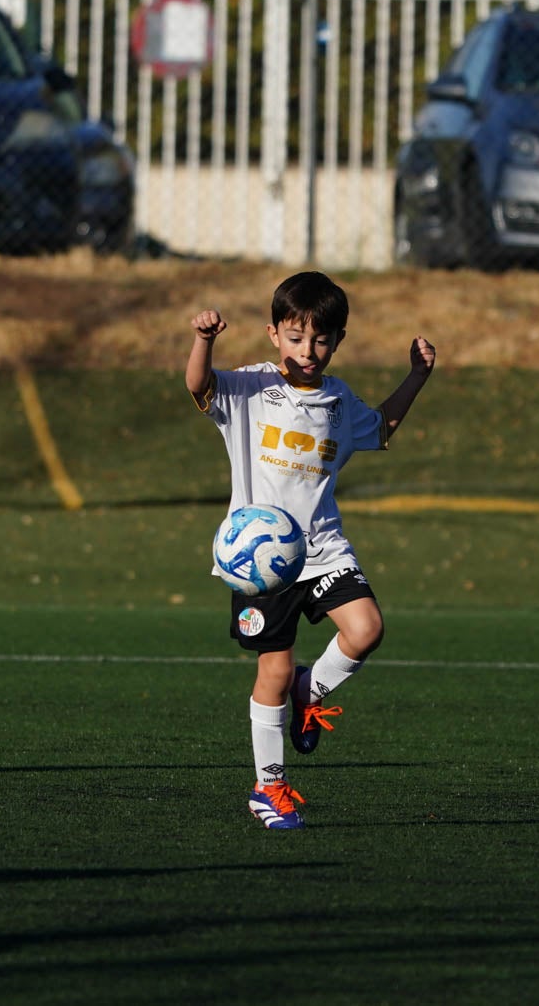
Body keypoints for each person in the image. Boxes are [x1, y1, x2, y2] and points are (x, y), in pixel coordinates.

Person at [186, 272, 435, 829]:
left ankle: (312, 688)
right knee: (271, 671)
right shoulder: (248, 388)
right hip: (260, 561)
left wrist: (416, 377)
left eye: (321, 340)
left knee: (366, 629)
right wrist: (203, 340)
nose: (308, 350)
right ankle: (268, 788)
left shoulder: (338, 400)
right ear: (274, 334)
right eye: (296, 337)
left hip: (322, 548)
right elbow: (197, 385)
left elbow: (382, 427)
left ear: (338, 341)